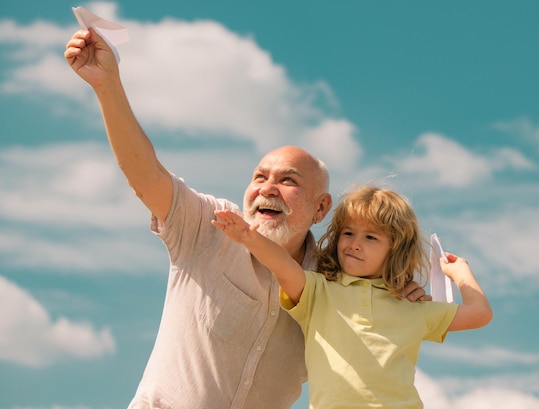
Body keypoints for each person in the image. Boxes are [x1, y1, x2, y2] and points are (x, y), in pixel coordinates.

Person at [64, 28, 431, 409]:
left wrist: (399, 292)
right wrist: (106, 85)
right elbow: (146, 175)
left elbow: (377, 309)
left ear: (321, 209)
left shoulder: (332, 283)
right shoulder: (210, 225)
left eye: (288, 181)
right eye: (260, 177)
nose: (268, 188)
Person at [213, 184, 493, 409]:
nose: (355, 244)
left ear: (394, 250)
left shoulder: (412, 307)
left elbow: (479, 314)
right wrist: (250, 238)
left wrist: (461, 272)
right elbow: (283, 266)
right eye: (348, 233)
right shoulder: (319, 292)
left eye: (371, 237)